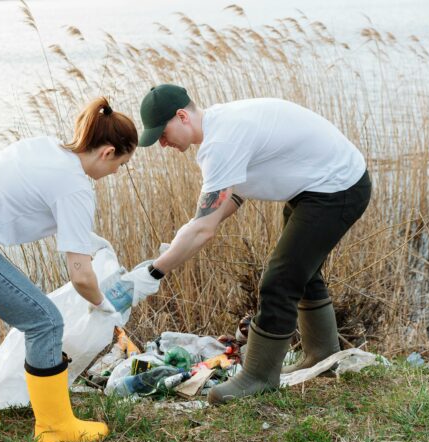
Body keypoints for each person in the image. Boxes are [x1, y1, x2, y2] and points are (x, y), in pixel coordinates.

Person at [0, 97, 138, 442]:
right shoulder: (75, 186)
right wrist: (104, 306)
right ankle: (55, 427)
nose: (116, 172)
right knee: (45, 322)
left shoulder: (47, 148)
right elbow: (80, 275)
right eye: (121, 164)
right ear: (107, 152)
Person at [134, 84, 372, 404]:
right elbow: (222, 206)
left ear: (181, 117)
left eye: (162, 134)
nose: (162, 144)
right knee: (302, 271)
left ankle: (259, 376)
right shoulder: (222, 125)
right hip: (317, 187)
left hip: (338, 187)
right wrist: (186, 236)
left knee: (279, 279)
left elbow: (204, 228)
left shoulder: (220, 142)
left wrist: (153, 272)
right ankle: (322, 354)